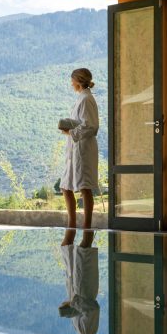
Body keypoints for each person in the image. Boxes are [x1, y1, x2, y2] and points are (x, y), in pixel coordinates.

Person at [59, 68, 100, 229]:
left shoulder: (86, 99)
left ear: (77, 81)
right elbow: (81, 121)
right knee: (65, 186)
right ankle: (72, 223)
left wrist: (71, 131)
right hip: (75, 150)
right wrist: (68, 125)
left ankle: (87, 226)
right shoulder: (82, 98)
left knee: (85, 187)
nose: (71, 84)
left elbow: (92, 126)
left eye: (72, 81)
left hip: (83, 150)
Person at [58, 229, 99, 334]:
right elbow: (93, 309)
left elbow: (81, 313)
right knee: (84, 248)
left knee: (67, 245)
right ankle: (89, 213)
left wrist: (68, 311)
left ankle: (74, 216)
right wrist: (73, 303)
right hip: (84, 286)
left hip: (77, 286)